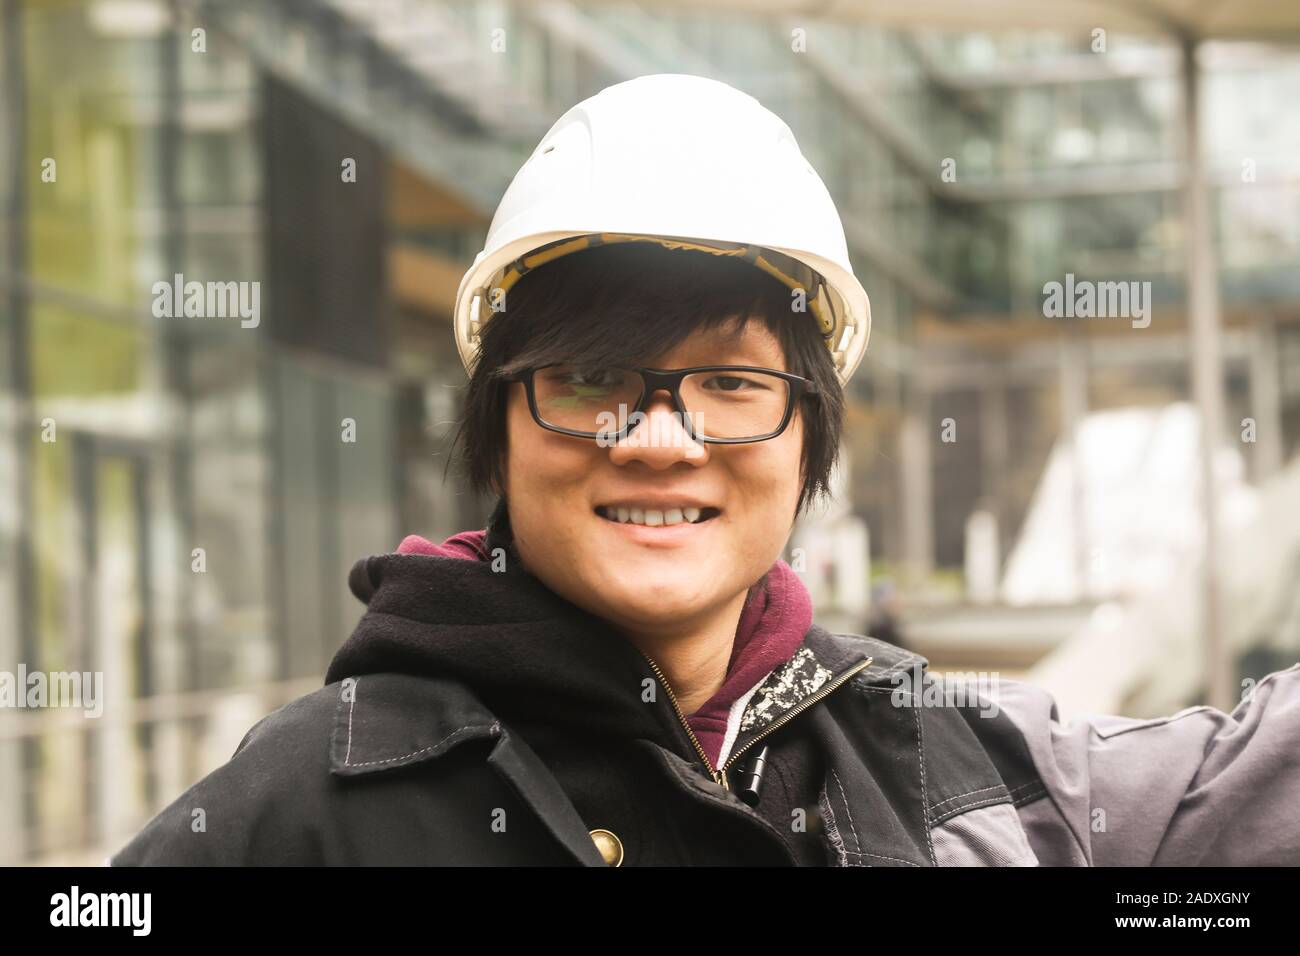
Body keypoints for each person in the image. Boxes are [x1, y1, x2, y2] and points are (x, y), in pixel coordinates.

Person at [111, 74, 1300, 866]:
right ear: (499, 425)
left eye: (731, 385)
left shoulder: (942, 761)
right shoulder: (312, 799)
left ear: (806, 440)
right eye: (590, 380)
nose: (661, 438)